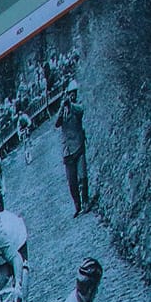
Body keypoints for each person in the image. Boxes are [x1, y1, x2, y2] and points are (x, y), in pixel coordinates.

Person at [56, 83, 91, 215]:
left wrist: (70, 105)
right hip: (67, 151)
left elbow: (80, 110)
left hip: (79, 146)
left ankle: (86, 201)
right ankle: (77, 204)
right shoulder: (64, 109)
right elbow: (57, 123)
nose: (72, 95)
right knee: (72, 182)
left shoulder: (77, 105)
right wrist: (62, 106)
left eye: (74, 93)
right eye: (70, 93)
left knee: (82, 176)